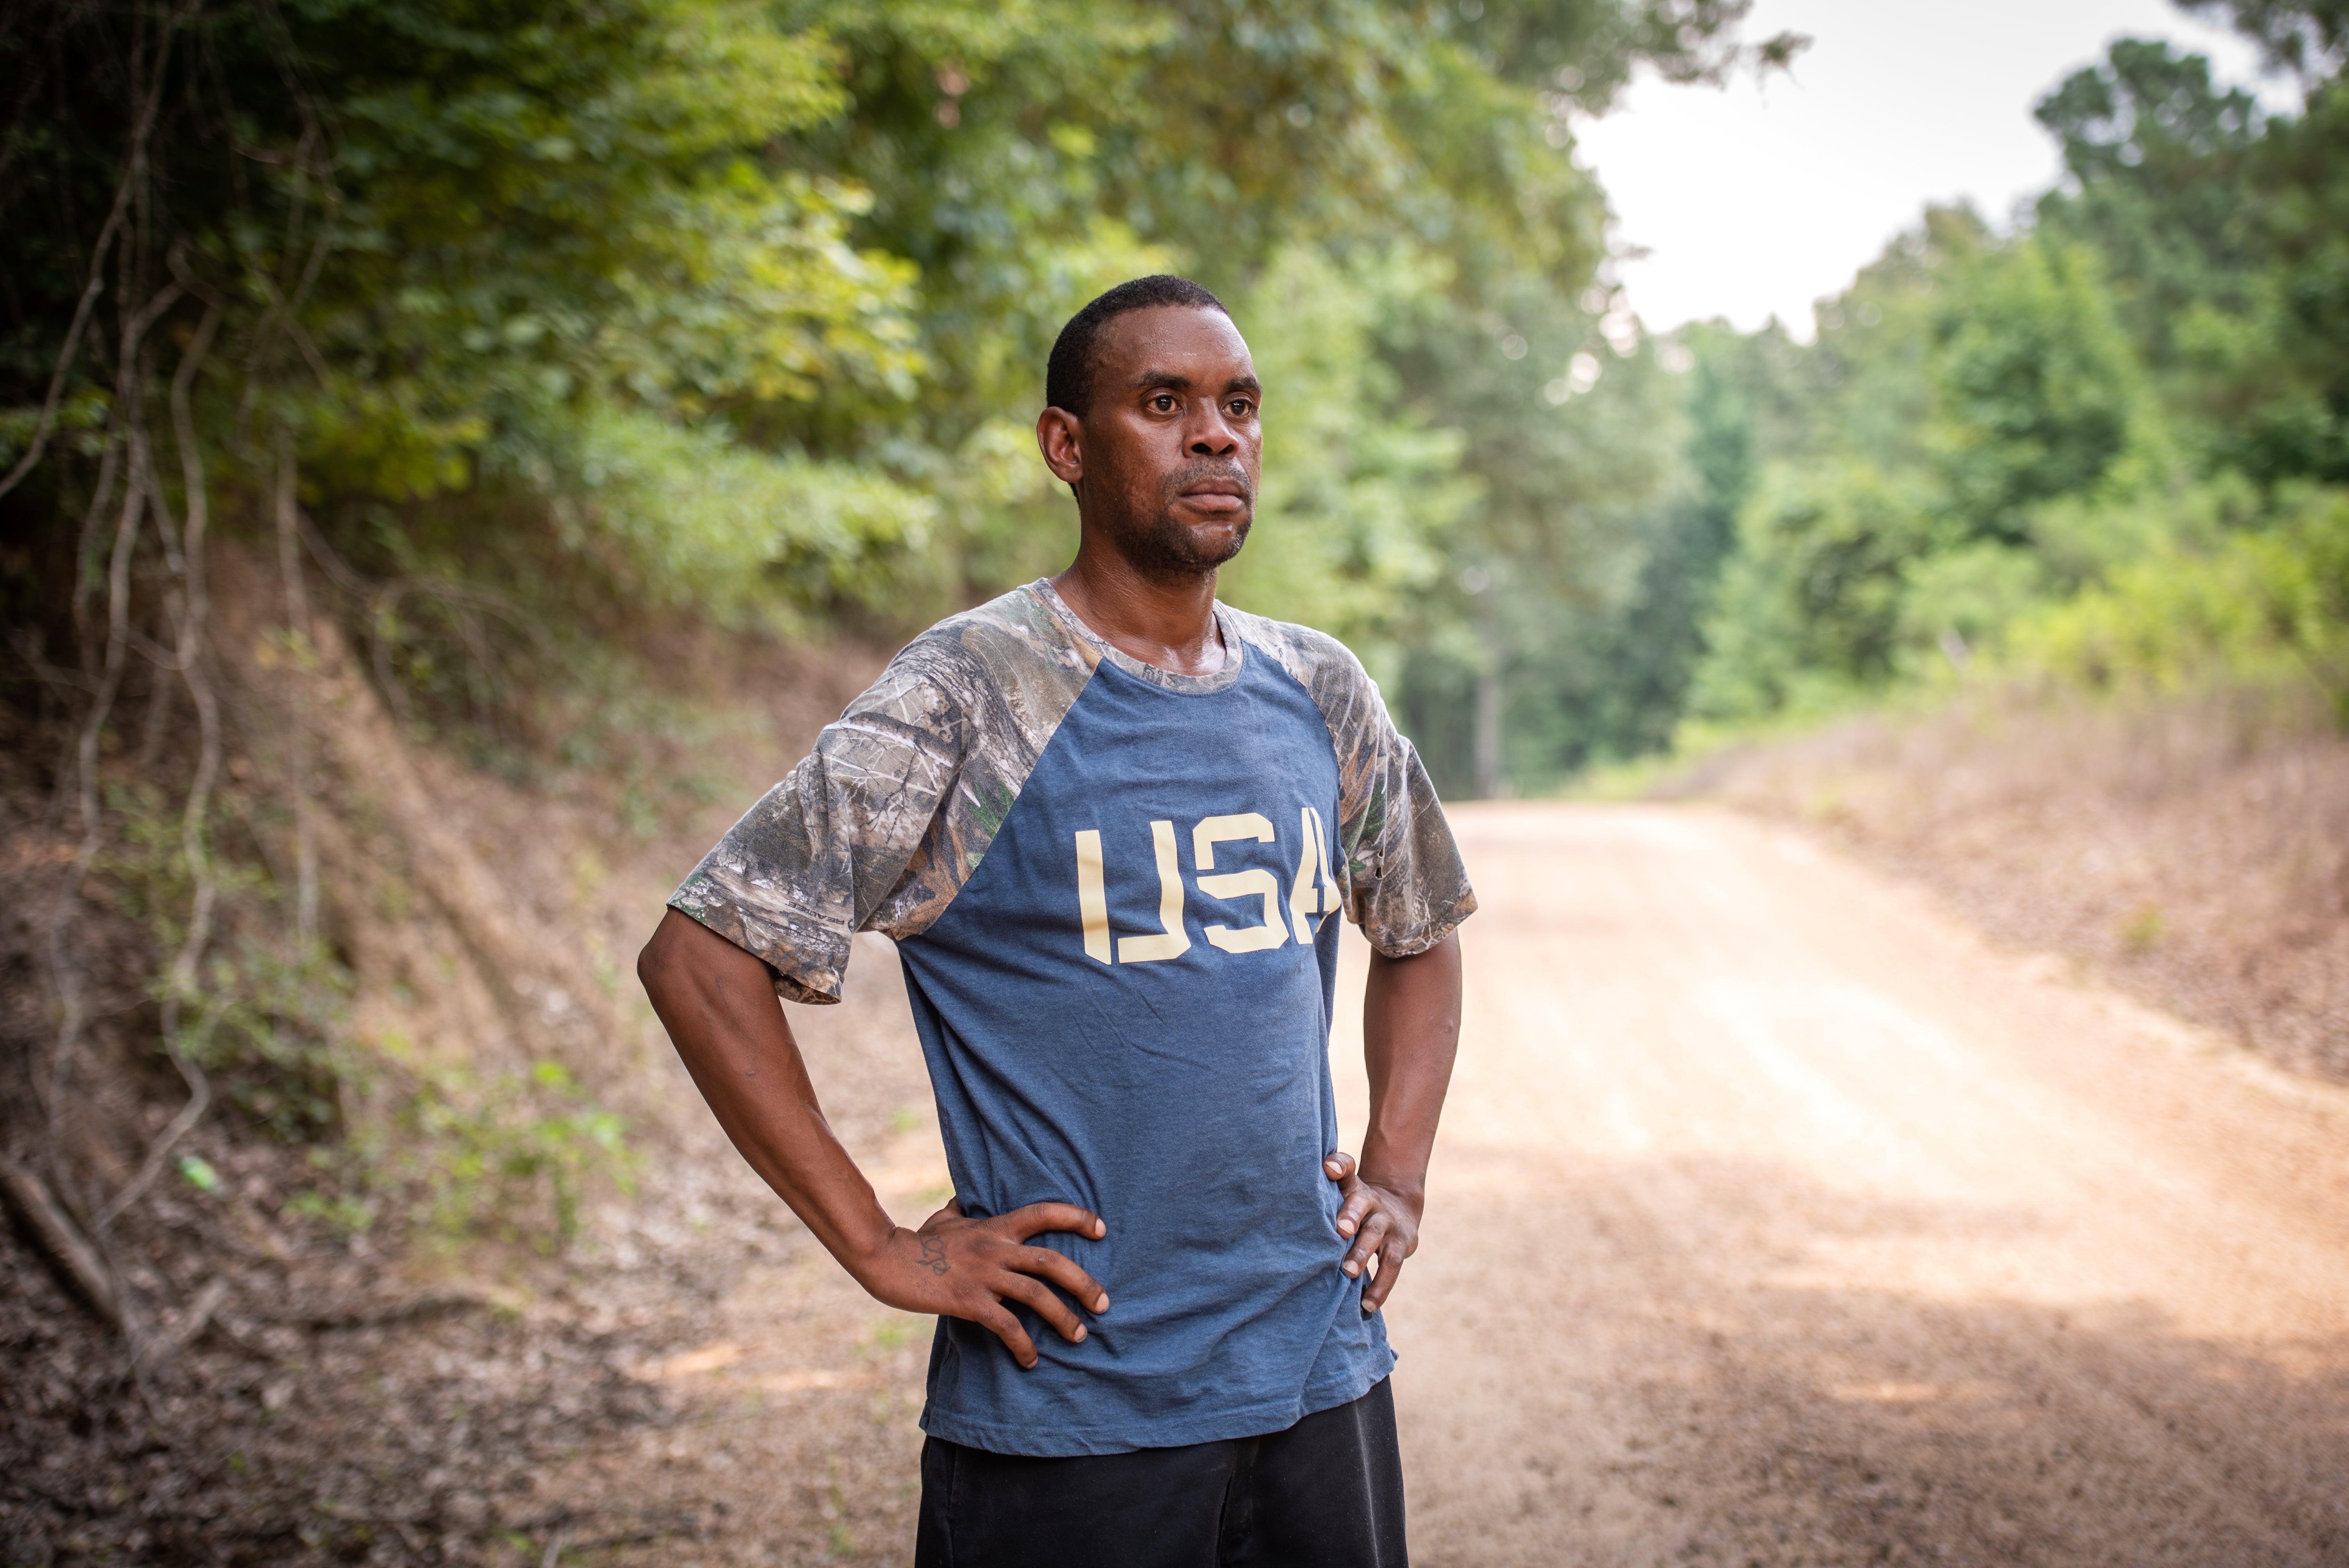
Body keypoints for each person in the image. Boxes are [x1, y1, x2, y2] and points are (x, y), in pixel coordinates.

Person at [637, 274, 1472, 1567]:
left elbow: (1418, 930)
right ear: (1066, 448)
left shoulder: (1318, 688)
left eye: (1238, 405)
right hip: (1074, 1404)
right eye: (1164, 403)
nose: (1216, 436)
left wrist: (1400, 1172)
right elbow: (700, 957)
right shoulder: (974, 695)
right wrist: (878, 1245)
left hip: (1319, 1370)